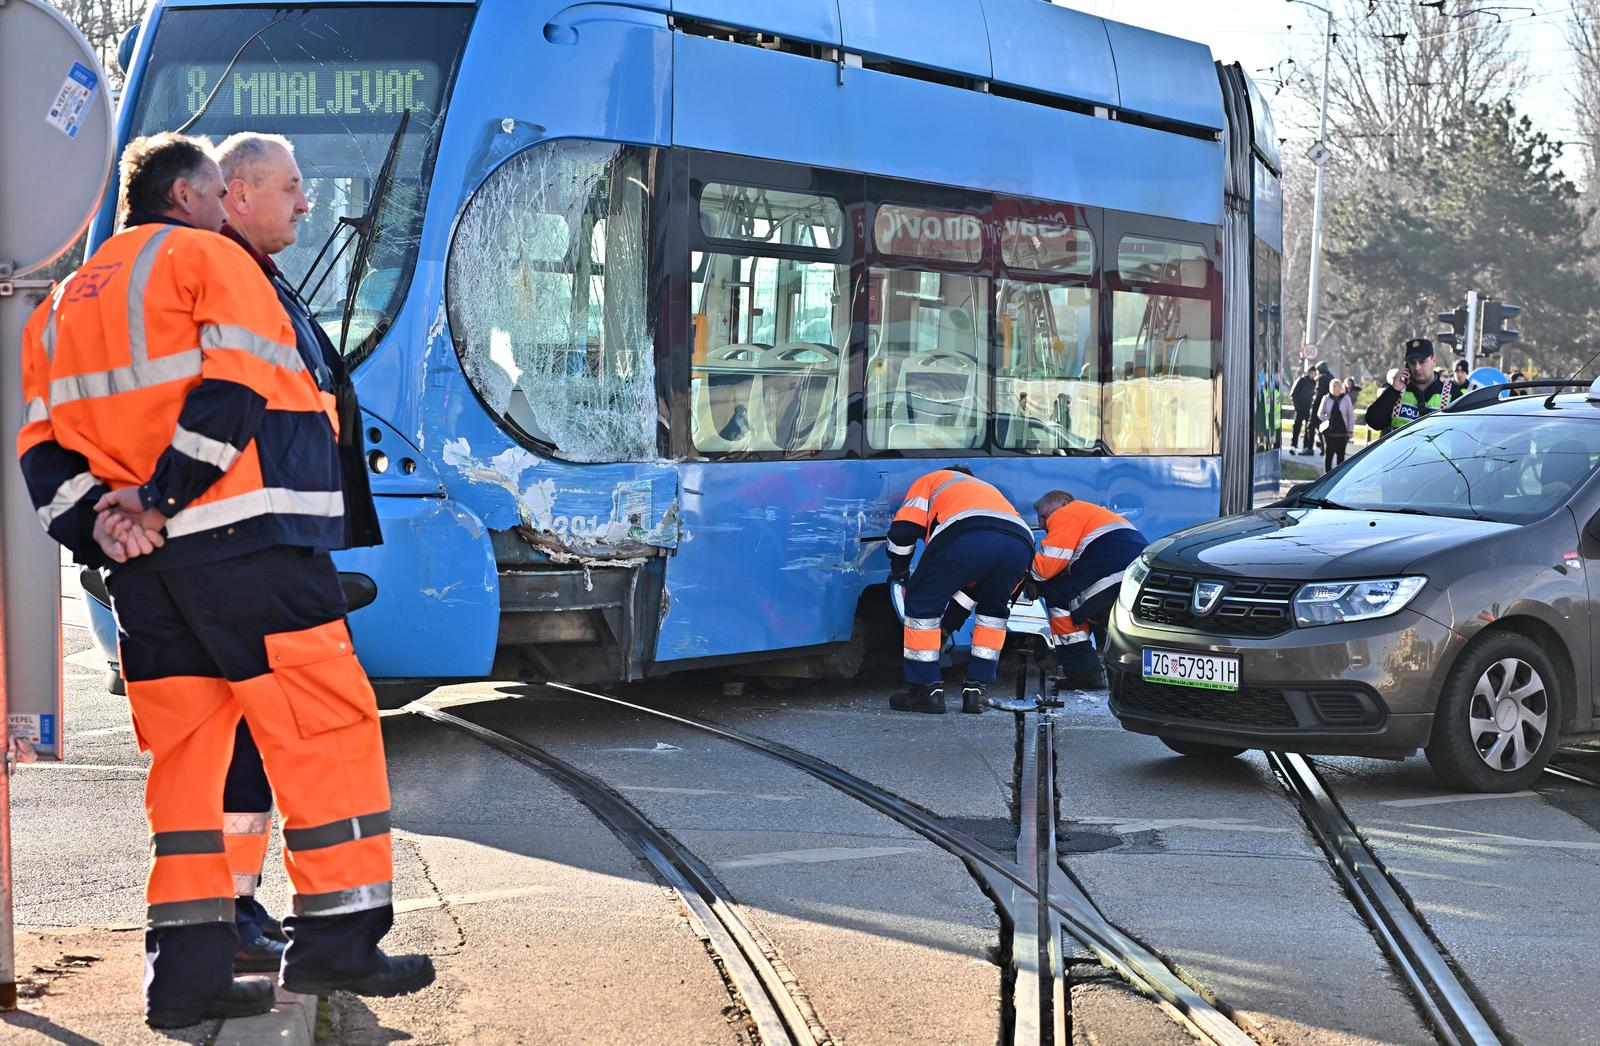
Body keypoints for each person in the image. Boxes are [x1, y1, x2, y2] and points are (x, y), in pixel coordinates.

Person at [14, 132, 432, 1029]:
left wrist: (109, 525)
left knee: (188, 772)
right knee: (327, 730)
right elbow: (236, 390)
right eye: (221, 195)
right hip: (249, 548)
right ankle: (340, 941)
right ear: (194, 197)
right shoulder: (209, 257)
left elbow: (40, 451)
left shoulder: (55, 307)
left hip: (147, 580)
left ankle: (187, 980)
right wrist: (163, 497)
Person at [212, 132, 385, 973]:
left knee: (250, 739)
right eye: (290, 186)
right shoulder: (226, 276)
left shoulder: (256, 274)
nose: (306, 202)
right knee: (311, 734)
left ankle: (233, 912)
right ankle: (318, 935)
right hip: (255, 546)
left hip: (268, 539)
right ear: (236, 192)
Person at [886, 466, 1033, 714]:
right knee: (993, 615)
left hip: (966, 534)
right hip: (1021, 544)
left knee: (921, 604)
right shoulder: (988, 489)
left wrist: (900, 572)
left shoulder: (932, 479)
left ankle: (926, 691)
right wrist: (947, 626)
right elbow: (972, 592)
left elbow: (903, 530)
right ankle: (976, 692)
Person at [1028, 491, 1148, 690]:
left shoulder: (1067, 512)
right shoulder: (1094, 515)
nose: (1042, 524)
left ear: (1062, 502)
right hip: (1137, 573)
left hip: (1112, 572)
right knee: (1091, 606)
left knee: (1058, 594)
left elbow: (1045, 567)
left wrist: (1027, 574)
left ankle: (1084, 672)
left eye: (1044, 515)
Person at [1365, 338, 1458, 434]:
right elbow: (1374, 422)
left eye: (1422, 362)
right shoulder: (1397, 392)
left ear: (1433, 360)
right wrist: (1394, 390)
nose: (1417, 368)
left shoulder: (1452, 394)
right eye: (1412, 362)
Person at [1317, 378, 1354, 473]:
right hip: (1329, 432)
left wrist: (1350, 430)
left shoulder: (1346, 399)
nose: (1334, 388)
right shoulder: (1326, 398)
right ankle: (1326, 477)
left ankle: (1339, 477)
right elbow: (1320, 413)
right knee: (1328, 455)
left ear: (1340, 387)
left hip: (1342, 432)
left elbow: (1350, 415)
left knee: (1341, 457)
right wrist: (1328, 419)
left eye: (1336, 386)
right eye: (1332, 386)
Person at [1290, 364, 1316, 454]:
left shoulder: (1314, 383)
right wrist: (1297, 407)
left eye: (1314, 373)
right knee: (1297, 427)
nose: (1313, 375)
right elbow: (1293, 394)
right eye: (1312, 373)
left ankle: (1306, 446)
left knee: (1308, 429)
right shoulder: (1301, 380)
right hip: (1300, 408)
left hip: (1309, 409)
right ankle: (1293, 444)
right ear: (1308, 372)